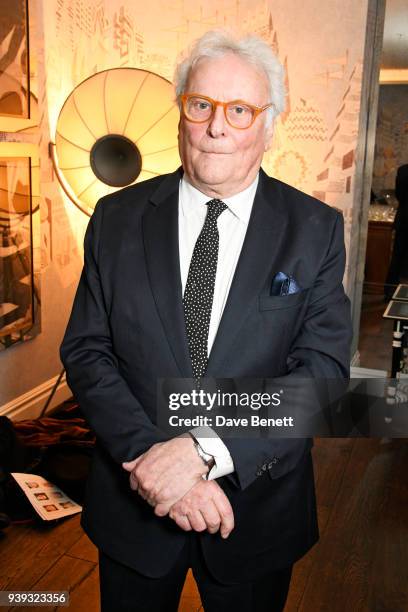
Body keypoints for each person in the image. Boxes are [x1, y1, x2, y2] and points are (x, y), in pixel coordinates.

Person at [60, 30, 352, 612]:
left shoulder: (314, 229)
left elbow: (320, 374)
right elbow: (87, 352)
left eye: (240, 110)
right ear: (181, 115)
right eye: (202, 105)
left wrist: (202, 451)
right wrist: (151, 461)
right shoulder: (114, 219)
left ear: (268, 125)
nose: (218, 127)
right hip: (133, 510)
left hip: (254, 512)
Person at [385, 164, 408, 300]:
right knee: (399, 258)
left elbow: (399, 195)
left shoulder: (403, 170)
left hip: (404, 218)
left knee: (397, 257)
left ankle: (389, 291)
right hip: (404, 219)